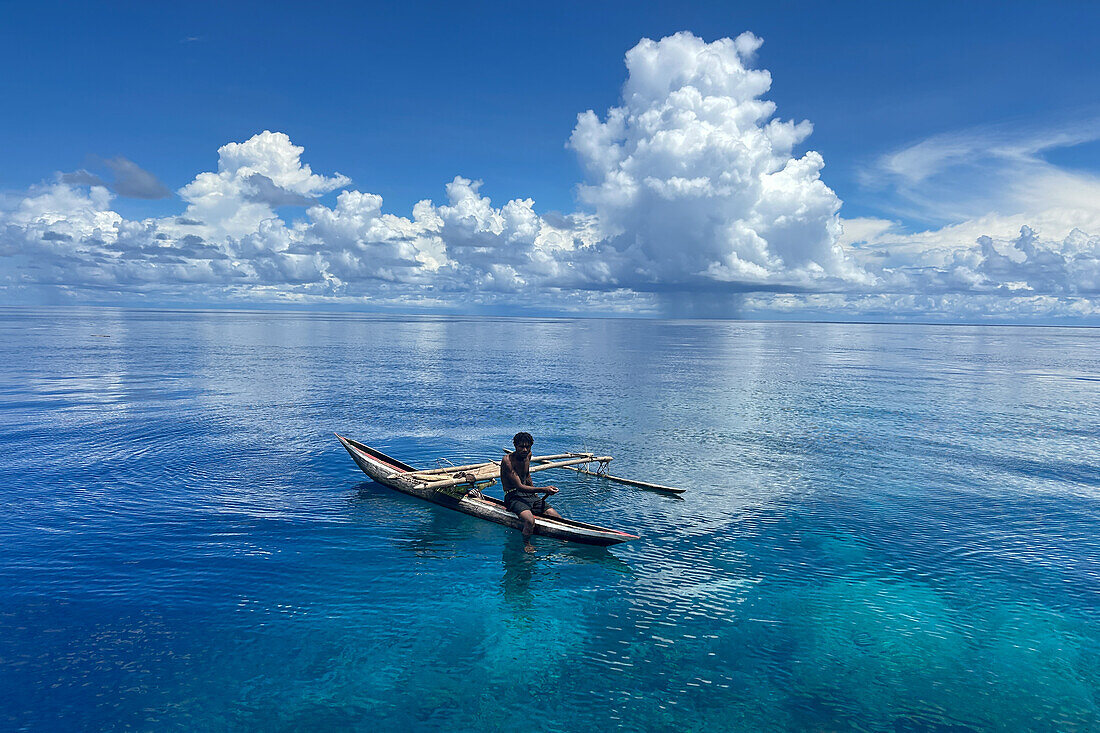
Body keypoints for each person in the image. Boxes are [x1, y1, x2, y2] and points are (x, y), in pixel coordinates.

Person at [500, 431, 561, 552]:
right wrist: (544, 490)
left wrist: (535, 494)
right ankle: (526, 543)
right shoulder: (507, 461)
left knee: (556, 517)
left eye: (527, 447)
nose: (524, 449)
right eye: (521, 446)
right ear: (515, 446)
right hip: (513, 495)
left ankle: (562, 537)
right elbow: (519, 486)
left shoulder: (528, 455)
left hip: (528, 494)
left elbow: (526, 475)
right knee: (529, 520)